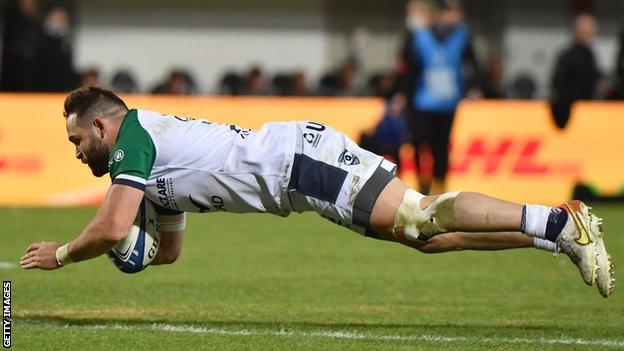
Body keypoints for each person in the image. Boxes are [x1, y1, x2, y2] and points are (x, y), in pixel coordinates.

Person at [20, 86, 614, 299]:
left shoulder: (133, 140)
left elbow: (113, 226)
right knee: (422, 238)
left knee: (421, 215)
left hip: (298, 163)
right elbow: (165, 249)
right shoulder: (148, 169)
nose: (76, 152)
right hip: (296, 178)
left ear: (102, 125)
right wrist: (148, 240)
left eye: (77, 139)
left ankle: (561, 222)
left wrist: (65, 253)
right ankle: (557, 240)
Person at [397, 0, 482, 195]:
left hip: (448, 103)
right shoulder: (420, 37)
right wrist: (403, 94)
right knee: (419, 144)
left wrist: (474, 87)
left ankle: (440, 189)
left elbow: (473, 66)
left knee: (442, 148)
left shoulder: (462, 37)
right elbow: (408, 69)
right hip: (422, 102)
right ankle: (422, 186)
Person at [550, 13, 605, 129]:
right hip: (571, 112)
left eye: (590, 27)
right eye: (584, 28)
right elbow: (559, 85)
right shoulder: (568, 56)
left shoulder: (590, 55)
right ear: (575, 30)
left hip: (587, 110)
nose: (588, 31)